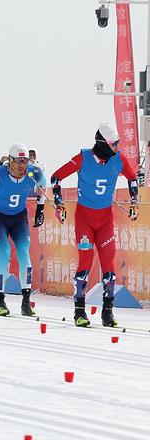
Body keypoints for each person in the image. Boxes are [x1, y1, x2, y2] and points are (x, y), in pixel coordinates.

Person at [50, 122, 140, 327]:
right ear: (103, 143)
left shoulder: (119, 159)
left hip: (105, 220)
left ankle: (107, 312)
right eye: (114, 143)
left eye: (118, 142)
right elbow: (56, 177)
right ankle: (79, 311)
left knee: (109, 266)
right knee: (85, 263)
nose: (118, 146)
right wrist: (59, 204)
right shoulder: (82, 158)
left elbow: (133, 179)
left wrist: (135, 202)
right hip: (84, 220)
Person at [0, 144, 48, 317]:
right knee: (4, 252)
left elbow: (44, 184)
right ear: (10, 161)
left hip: (19, 217)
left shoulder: (33, 173)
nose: (22, 165)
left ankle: (26, 302)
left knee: (23, 252)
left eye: (25, 161)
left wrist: (40, 208)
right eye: (19, 161)